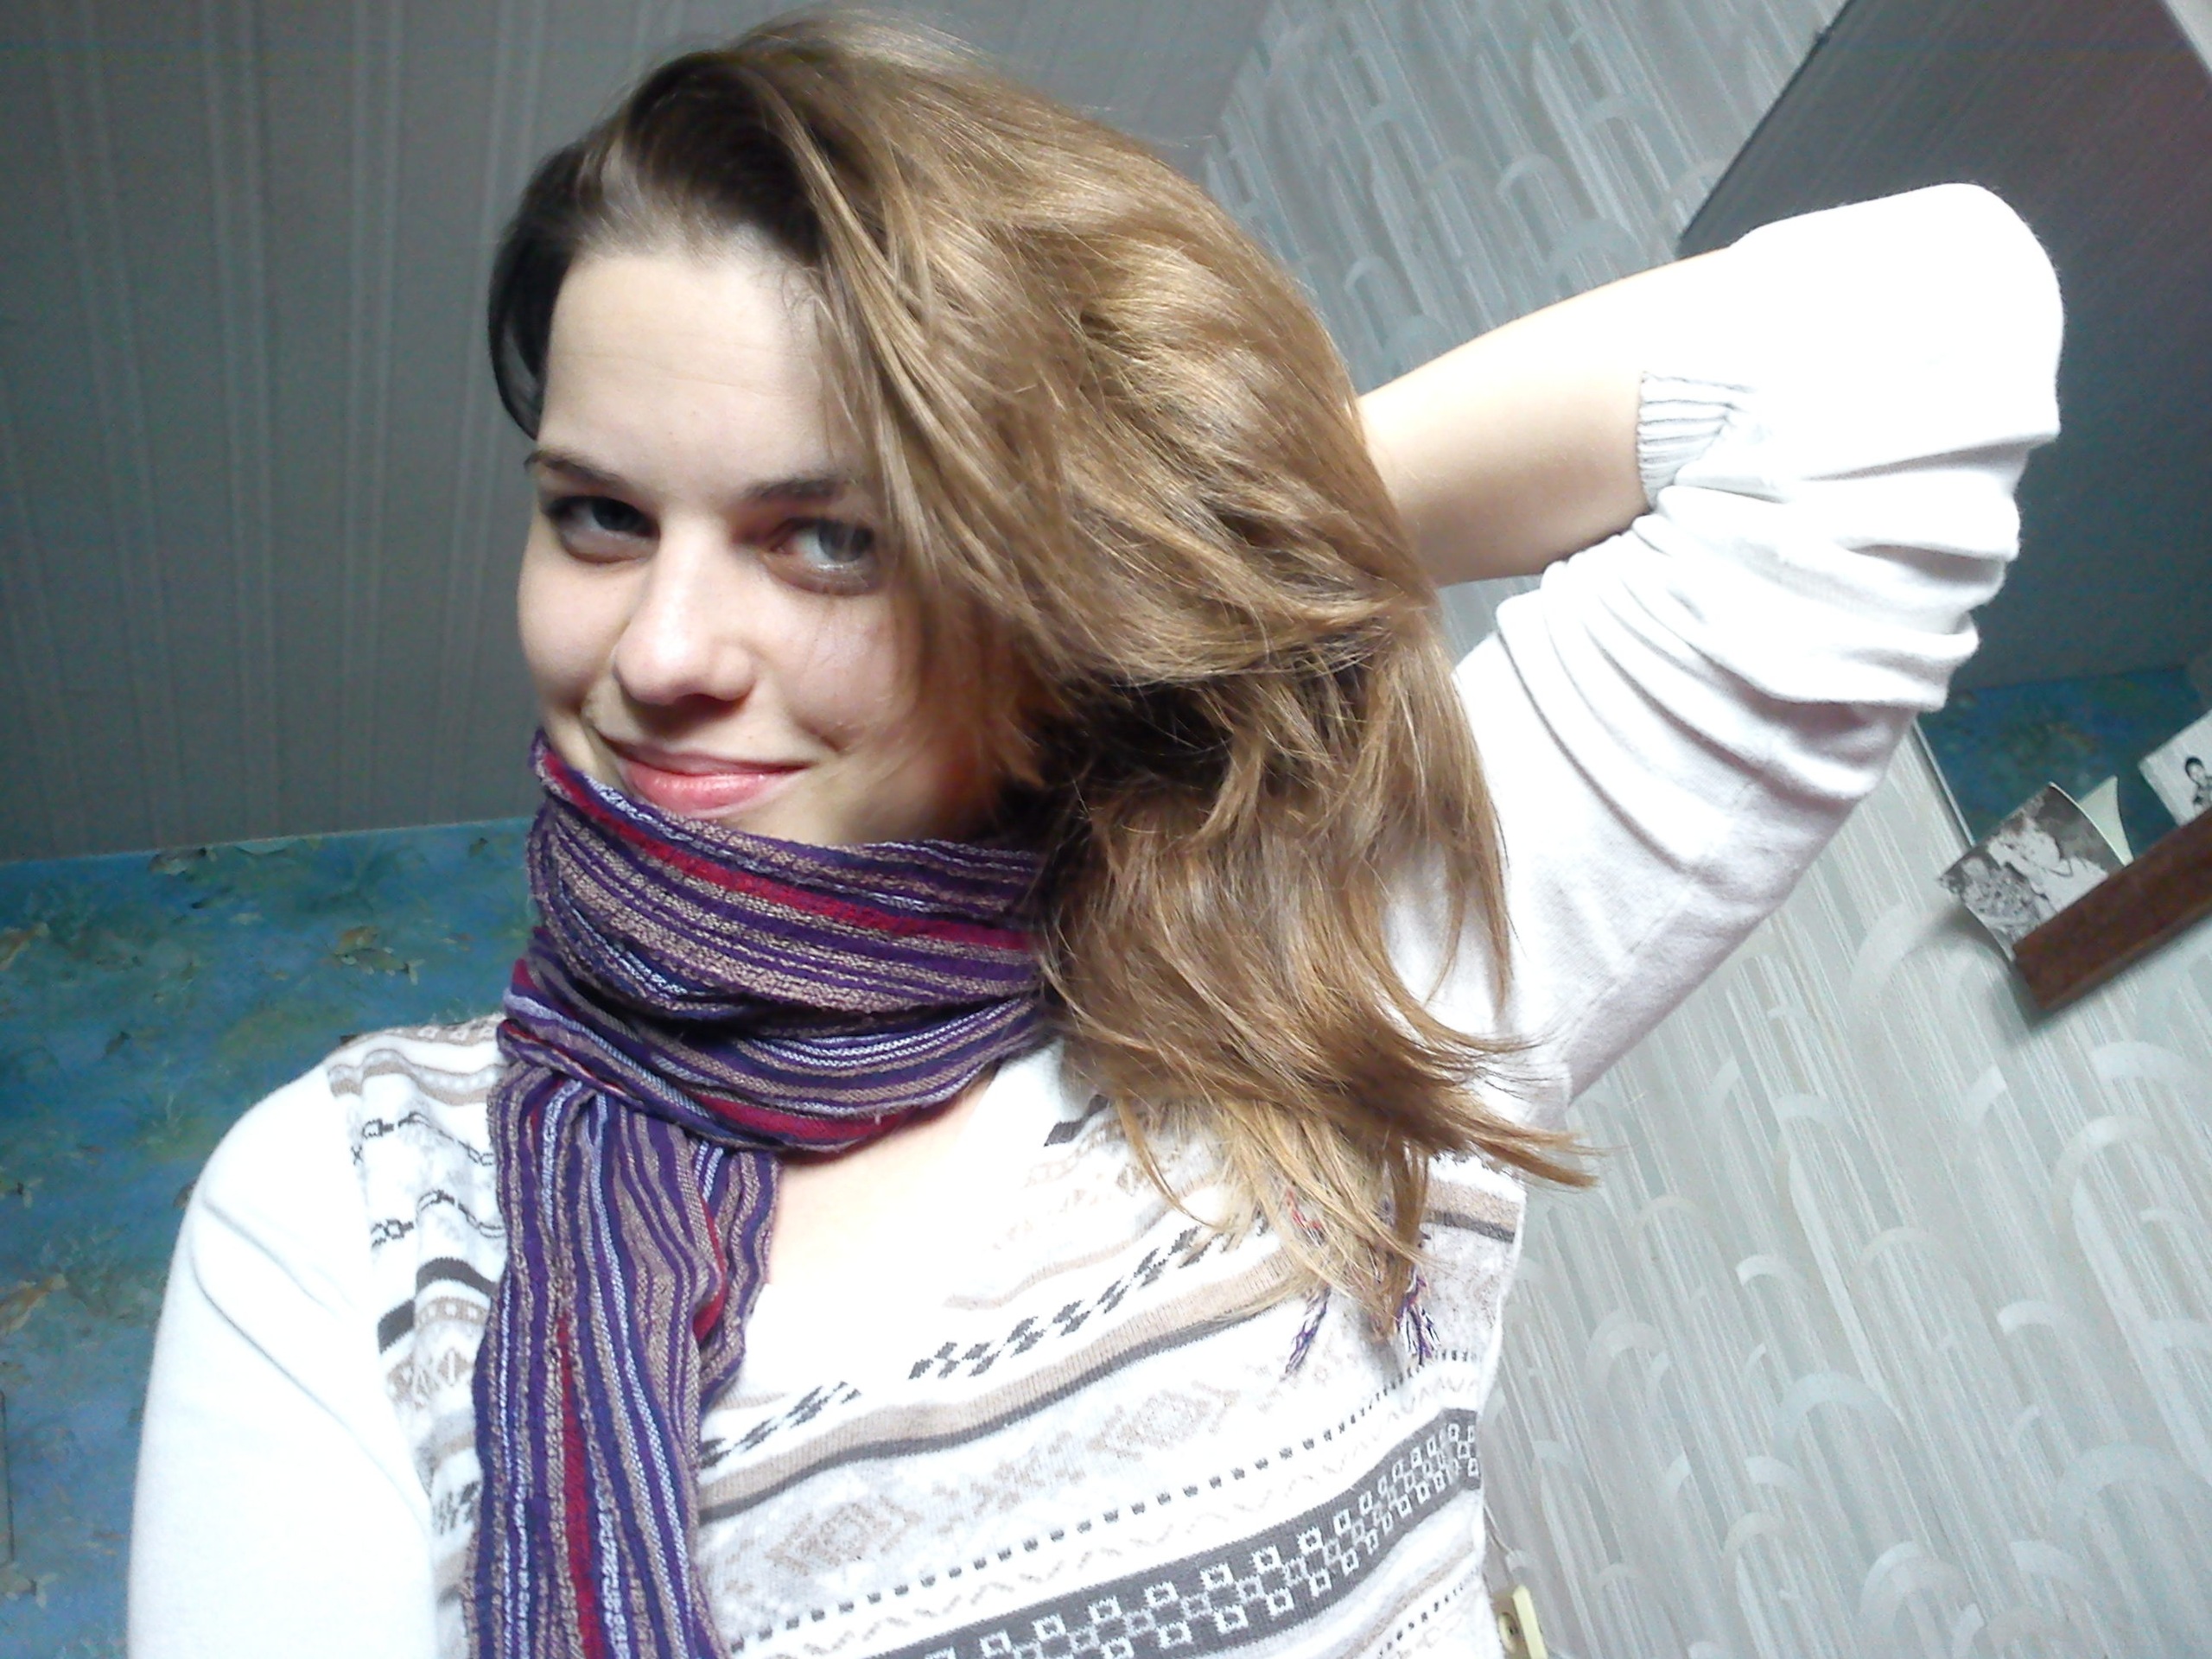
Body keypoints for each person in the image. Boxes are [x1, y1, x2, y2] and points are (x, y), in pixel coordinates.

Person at [127, 16, 2062, 1659]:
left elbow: (1921, 338)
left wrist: (1122, 553)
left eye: (832, 535)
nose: (658, 652)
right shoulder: (353, 1214)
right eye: (599, 517)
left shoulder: (1324, 985)